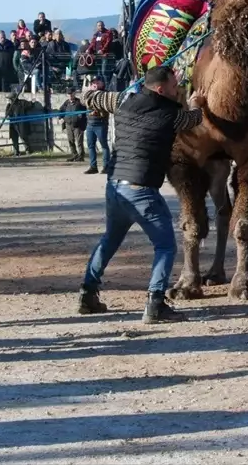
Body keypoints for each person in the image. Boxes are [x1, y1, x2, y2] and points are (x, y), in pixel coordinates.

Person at [76, 65, 205, 323]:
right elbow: (194, 120)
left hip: (115, 187)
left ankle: (88, 293)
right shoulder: (171, 113)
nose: (176, 89)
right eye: (172, 86)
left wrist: (90, 92)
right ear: (160, 89)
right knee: (166, 246)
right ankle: (155, 302)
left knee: (110, 240)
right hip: (142, 189)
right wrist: (195, 102)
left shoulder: (123, 99)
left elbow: (89, 98)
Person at [83, 76, 111, 175]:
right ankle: (93, 166)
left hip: (101, 123)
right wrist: (89, 91)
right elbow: (83, 103)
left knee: (104, 145)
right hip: (90, 123)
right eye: (93, 83)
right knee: (91, 146)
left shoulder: (106, 93)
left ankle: (106, 166)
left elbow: (107, 106)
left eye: (97, 82)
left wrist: (98, 111)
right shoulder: (89, 94)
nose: (95, 84)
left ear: (102, 83)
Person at [59, 87, 87, 162]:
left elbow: (85, 111)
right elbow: (61, 111)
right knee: (70, 141)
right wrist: (60, 118)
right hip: (68, 125)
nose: (70, 95)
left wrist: (82, 116)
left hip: (78, 126)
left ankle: (81, 156)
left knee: (79, 141)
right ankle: (74, 155)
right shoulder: (66, 103)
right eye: (69, 94)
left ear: (74, 93)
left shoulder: (79, 102)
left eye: (71, 94)